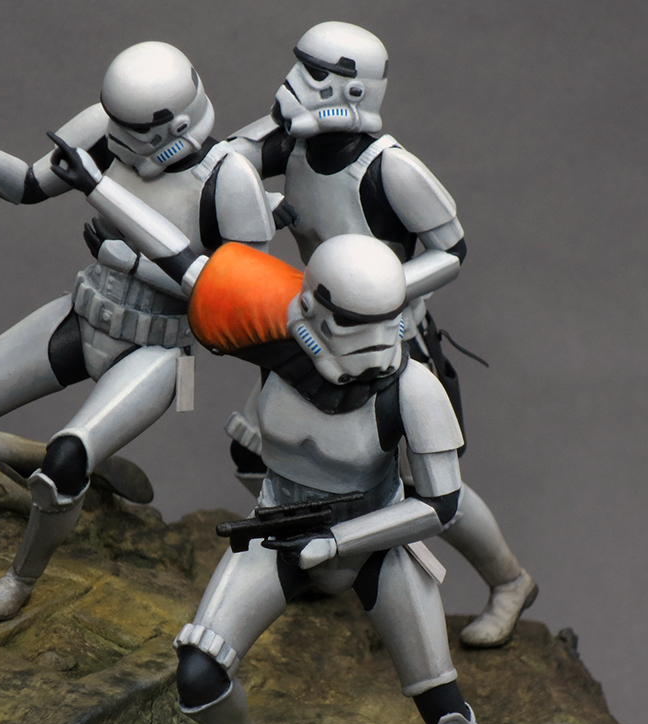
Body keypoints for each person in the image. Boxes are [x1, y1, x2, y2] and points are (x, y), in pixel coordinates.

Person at [47, 138, 513, 724]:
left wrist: (344, 541)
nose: (370, 353)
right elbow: (185, 263)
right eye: (352, 327)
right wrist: (95, 181)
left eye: (383, 328)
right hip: (278, 524)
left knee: (448, 716)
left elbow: (438, 506)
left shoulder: (412, 387)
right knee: (199, 672)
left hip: (373, 540)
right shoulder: (270, 329)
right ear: (314, 309)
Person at [0, 41, 275, 622]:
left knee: (65, 460)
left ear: (176, 124)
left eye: (136, 130)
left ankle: (21, 579)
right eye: (118, 125)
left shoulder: (229, 180)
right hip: (86, 311)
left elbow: (239, 298)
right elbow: (28, 184)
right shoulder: (105, 129)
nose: (122, 141)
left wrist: (132, 260)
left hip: (159, 347)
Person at [227, 21, 537, 648]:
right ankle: (323, 557)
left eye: (316, 73)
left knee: (427, 484)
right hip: (313, 335)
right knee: (257, 449)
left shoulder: (390, 169)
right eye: (300, 65)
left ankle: (510, 580)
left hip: (389, 346)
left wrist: (383, 293)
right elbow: (223, 167)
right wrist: (252, 177)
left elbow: (452, 249)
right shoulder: (290, 146)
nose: (296, 82)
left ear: (353, 89)